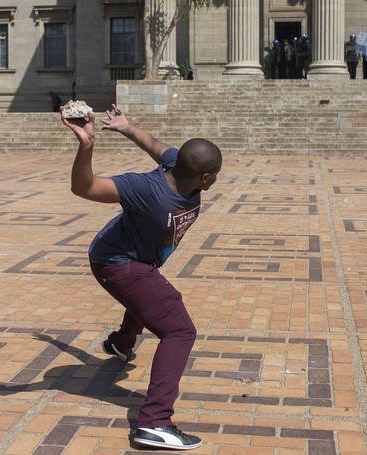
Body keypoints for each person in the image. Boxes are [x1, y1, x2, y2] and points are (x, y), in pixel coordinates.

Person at [61, 104, 222, 451]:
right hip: (116, 262)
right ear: (206, 178)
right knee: (179, 329)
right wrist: (86, 145)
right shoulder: (145, 189)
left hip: (138, 260)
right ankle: (154, 423)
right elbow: (84, 187)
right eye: (216, 176)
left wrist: (127, 127)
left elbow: (156, 145)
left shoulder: (179, 162)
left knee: (150, 293)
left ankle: (121, 343)